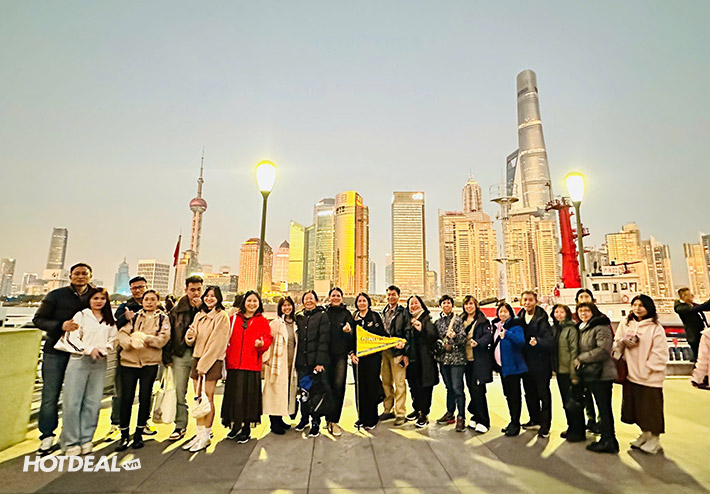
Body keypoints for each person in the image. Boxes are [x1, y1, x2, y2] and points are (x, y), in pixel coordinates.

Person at [33, 262, 93, 454]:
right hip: (55, 352)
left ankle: (73, 435)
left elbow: (105, 320)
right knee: (50, 395)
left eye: (84, 273)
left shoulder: (96, 296)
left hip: (81, 353)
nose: (80, 276)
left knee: (80, 396)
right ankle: (47, 436)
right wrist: (61, 326)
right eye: (77, 273)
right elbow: (38, 319)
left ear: (90, 276)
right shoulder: (56, 295)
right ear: (70, 276)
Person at [59, 287, 117, 456]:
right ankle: (71, 442)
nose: (99, 301)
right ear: (89, 300)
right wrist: (89, 349)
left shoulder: (109, 319)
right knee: (72, 402)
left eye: (102, 298)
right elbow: (71, 338)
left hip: (99, 362)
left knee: (93, 402)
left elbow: (114, 339)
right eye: (95, 298)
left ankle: (86, 439)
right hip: (79, 361)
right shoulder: (81, 315)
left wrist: (105, 348)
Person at [116, 290, 171, 451]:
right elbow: (122, 334)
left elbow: (164, 337)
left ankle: (139, 433)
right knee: (126, 398)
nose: (149, 302)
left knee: (145, 397)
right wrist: (130, 342)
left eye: (153, 299)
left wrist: (146, 339)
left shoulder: (162, 318)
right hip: (129, 362)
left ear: (157, 301)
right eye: (146, 299)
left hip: (150, 362)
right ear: (142, 301)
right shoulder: (134, 317)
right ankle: (124, 434)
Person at [614, 295, 668, 454]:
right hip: (631, 374)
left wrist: (647, 369)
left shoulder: (655, 328)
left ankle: (655, 439)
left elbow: (660, 352)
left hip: (650, 377)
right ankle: (645, 434)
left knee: (652, 408)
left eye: (641, 305)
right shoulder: (626, 324)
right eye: (635, 305)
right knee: (637, 408)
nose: (637, 308)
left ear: (649, 308)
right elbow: (616, 343)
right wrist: (623, 343)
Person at [182, 286, 230, 452]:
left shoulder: (221, 316)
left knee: (208, 398)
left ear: (218, 298)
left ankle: (206, 436)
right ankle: (199, 434)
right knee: (198, 398)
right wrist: (189, 336)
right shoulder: (199, 315)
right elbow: (192, 338)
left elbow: (218, 343)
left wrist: (203, 365)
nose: (209, 298)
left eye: (213, 296)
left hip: (212, 361)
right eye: (207, 296)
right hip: (197, 358)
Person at [222, 290, 273, 443]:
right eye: (249, 301)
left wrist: (262, 344)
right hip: (234, 364)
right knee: (234, 397)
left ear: (259, 304)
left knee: (248, 398)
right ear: (244, 302)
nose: (252, 304)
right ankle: (235, 425)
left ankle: (246, 429)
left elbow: (268, 338)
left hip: (251, 365)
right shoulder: (233, 319)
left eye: (255, 301)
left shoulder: (262, 321)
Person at [163, 275, 204, 441]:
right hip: (180, 354)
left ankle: (203, 427)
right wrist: (167, 357)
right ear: (186, 290)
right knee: (180, 392)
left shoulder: (206, 309)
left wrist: (201, 308)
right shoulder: (176, 310)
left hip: (201, 355)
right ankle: (180, 425)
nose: (196, 293)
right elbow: (169, 334)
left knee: (202, 394)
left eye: (199, 289)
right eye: (192, 290)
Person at [575, 302, 619, 454]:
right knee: (601, 407)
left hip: (602, 374)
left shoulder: (601, 326)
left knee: (604, 409)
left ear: (593, 312)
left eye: (586, 311)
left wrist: (581, 358)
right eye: (580, 311)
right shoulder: (583, 327)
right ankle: (606, 439)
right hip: (591, 373)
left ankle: (609, 440)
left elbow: (603, 350)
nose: (583, 313)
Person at [109, 276, 148, 438]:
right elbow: (114, 326)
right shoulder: (124, 307)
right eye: (134, 288)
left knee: (146, 391)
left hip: (147, 355)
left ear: (146, 287)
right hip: (126, 355)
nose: (137, 290)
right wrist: (125, 317)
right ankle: (116, 423)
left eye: (140, 287)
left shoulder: (153, 305)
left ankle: (144, 423)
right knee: (121, 391)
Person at [517, 291, 554, 438]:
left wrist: (538, 342)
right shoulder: (519, 317)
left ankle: (545, 425)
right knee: (529, 393)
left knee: (543, 394)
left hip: (541, 363)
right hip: (525, 363)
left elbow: (550, 340)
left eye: (530, 300)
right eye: (525, 300)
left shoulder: (542, 319)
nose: (527, 303)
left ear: (536, 301)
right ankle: (534, 419)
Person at [294, 290, 330, 438]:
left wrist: (320, 362)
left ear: (316, 300)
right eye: (306, 299)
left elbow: (324, 340)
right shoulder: (299, 317)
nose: (308, 301)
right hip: (301, 362)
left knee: (315, 393)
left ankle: (315, 422)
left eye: (311, 298)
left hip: (315, 363)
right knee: (303, 393)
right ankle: (304, 419)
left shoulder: (322, 316)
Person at [351, 292, 387, 431]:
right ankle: (361, 417)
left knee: (371, 386)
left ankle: (372, 418)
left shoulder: (375, 316)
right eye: (359, 301)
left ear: (368, 302)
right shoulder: (354, 318)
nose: (362, 303)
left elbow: (382, 335)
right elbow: (350, 338)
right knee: (360, 388)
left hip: (373, 358)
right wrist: (352, 353)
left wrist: (394, 342)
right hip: (358, 359)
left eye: (364, 301)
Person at [263, 296, 299, 435]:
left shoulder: (295, 324)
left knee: (285, 392)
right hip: (277, 363)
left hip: (290, 363)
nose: (287, 308)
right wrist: (267, 360)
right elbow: (269, 341)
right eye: (284, 305)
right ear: (280, 308)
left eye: (289, 305)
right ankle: (274, 422)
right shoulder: (275, 323)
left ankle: (281, 419)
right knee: (275, 393)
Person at [492, 303, 528, 437]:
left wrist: (507, 334)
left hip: (513, 367)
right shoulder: (497, 326)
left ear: (510, 313)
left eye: (505, 312)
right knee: (508, 395)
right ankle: (512, 420)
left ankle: (515, 423)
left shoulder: (515, 325)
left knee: (514, 396)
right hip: (502, 368)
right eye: (500, 311)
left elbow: (521, 341)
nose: (502, 314)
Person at [551, 304, 585, 442]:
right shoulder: (556, 329)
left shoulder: (571, 329)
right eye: (556, 312)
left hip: (569, 371)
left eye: (562, 312)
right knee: (567, 403)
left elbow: (574, 351)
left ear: (567, 314)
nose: (558, 314)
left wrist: (574, 374)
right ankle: (571, 427)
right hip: (560, 370)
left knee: (574, 403)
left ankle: (578, 431)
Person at [403, 295, 438, 428]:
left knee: (425, 387)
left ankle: (424, 413)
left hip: (425, 360)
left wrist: (421, 329)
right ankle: (416, 409)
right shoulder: (408, 319)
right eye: (411, 304)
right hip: (412, 359)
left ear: (421, 304)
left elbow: (433, 336)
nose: (413, 306)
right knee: (413, 386)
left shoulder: (427, 319)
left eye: (416, 303)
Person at [324, 287, 355, 436]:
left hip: (340, 356)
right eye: (333, 295)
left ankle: (334, 420)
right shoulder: (324, 313)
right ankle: (327, 419)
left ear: (342, 298)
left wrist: (349, 332)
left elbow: (352, 337)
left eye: (338, 296)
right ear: (329, 297)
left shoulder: (346, 314)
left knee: (338, 387)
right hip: (325, 355)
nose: (336, 298)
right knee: (326, 387)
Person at [434, 295, 467, 432]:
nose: (446, 305)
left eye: (448, 303)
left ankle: (461, 417)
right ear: (440, 306)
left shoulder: (458, 320)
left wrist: (455, 337)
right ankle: (450, 413)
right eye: (444, 303)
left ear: (452, 305)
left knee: (457, 388)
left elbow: (463, 339)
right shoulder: (438, 322)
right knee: (449, 388)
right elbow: (435, 339)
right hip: (443, 359)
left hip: (457, 359)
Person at [461, 295, 493, 434]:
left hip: (478, 360)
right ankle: (475, 415)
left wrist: (478, 342)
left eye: (471, 304)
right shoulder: (461, 320)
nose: (468, 307)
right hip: (465, 360)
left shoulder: (482, 320)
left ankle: (484, 420)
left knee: (479, 390)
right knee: (471, 389)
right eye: (466, 304)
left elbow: (488, 336)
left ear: (476, 305)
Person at [379, 285, 409, 426]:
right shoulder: (382, 312)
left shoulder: (403, 312)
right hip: (384, 351)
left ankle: (401, 412)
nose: (391, 297)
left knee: (399, 383)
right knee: (386, 382)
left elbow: (408, 332)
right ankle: (388, 409)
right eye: (389, 294)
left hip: (398, 352)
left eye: (393, 294)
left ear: (398, 296)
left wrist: (405, 351)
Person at [575, 288, 601, 435]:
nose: (584, 299)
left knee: (599, 397)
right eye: (581, 297)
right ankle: (590, 419)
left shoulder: (600, 319)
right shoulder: (577, 321)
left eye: (586, 297)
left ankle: (601, 423)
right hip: (582, 367)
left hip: (597, 366)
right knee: (586, 395)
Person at [674, 287, 710, 362]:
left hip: (703, 331)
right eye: (690, 295)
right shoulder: (680, 307)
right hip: (694, 335)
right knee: (698, 357)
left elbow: (704, 307)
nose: (692, 296)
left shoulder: (692, 304)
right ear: (684, 296)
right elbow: (698, 308)